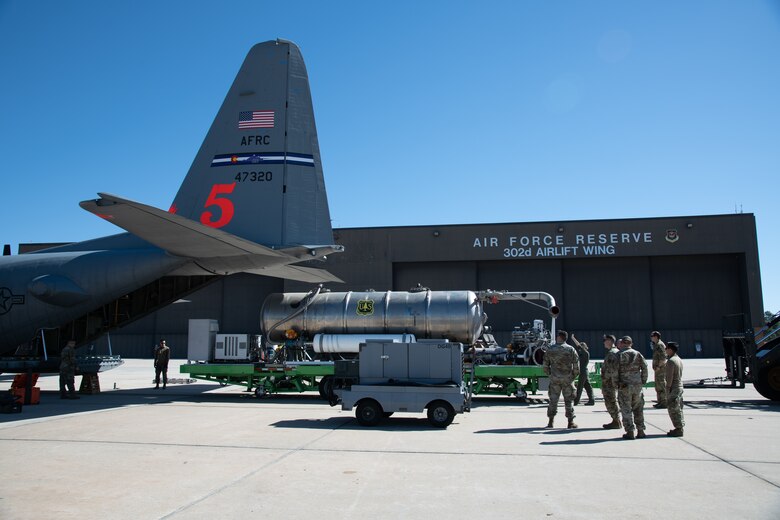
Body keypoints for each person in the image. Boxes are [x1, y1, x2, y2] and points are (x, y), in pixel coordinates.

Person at [543, 330, 580, 429]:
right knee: (569, 400)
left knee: (553, 400)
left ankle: (551, 421)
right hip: (567, 378)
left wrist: (550, 375)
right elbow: (576, 365)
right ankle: (570, 422)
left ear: (559, 337)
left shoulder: (550, 349)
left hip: (555, 378)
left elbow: (545, 366)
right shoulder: (570, 349)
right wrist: (573, 376)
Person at [617, 336, 648, 440]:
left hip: (624, 385)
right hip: (637, 385)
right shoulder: (638, 354)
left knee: (626, 409)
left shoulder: (619, 355)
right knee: (638, 408)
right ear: (631, 343)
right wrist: (642, 380)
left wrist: (615, 384)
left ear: (622, 343)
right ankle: (641, 431)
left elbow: (614, 371)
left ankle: (630, 431)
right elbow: (644, 368)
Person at [601, 334, 621, 429]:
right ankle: (616, 420)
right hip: (611, 382)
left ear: (609, 341)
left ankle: (616, 421)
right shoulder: (615, 352)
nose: (604, 342)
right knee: (612, 401)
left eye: (605, 340)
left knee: (611, 401)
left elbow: (612, 370)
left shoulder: (612, 353)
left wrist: (607, 381)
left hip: (609, 383)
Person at [665, 341, 685, 437]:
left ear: (670, 349)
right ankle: (680, 427)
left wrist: (667, 388)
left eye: (667, 348)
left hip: (674, 387)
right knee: (678, 408)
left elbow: (669, 377)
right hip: (680, 386)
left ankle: (678, 428)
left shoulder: (671, 361)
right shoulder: (679, 359)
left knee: (673, 409)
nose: (665, 350)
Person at [570, 334, 594, 405]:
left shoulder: (585, 353)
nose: (580, 347)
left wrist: (573, 338)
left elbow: (578, 345)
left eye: (581, 345)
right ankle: (591, 400)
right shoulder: (582, 354)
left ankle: (576, 401)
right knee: (588, 387)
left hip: (583, 372)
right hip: (584, 372)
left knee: (580, 387)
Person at [651, 331, 667, 408]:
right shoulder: (656, 344)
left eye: (652, 336)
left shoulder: (660, 345)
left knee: (661, 385)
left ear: (656, 337)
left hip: (660, 369)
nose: (651, 338)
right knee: (658, 386)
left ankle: (664, 402)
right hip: (658, 369)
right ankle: (660, 401)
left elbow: (663, 357)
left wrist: (659, 366)